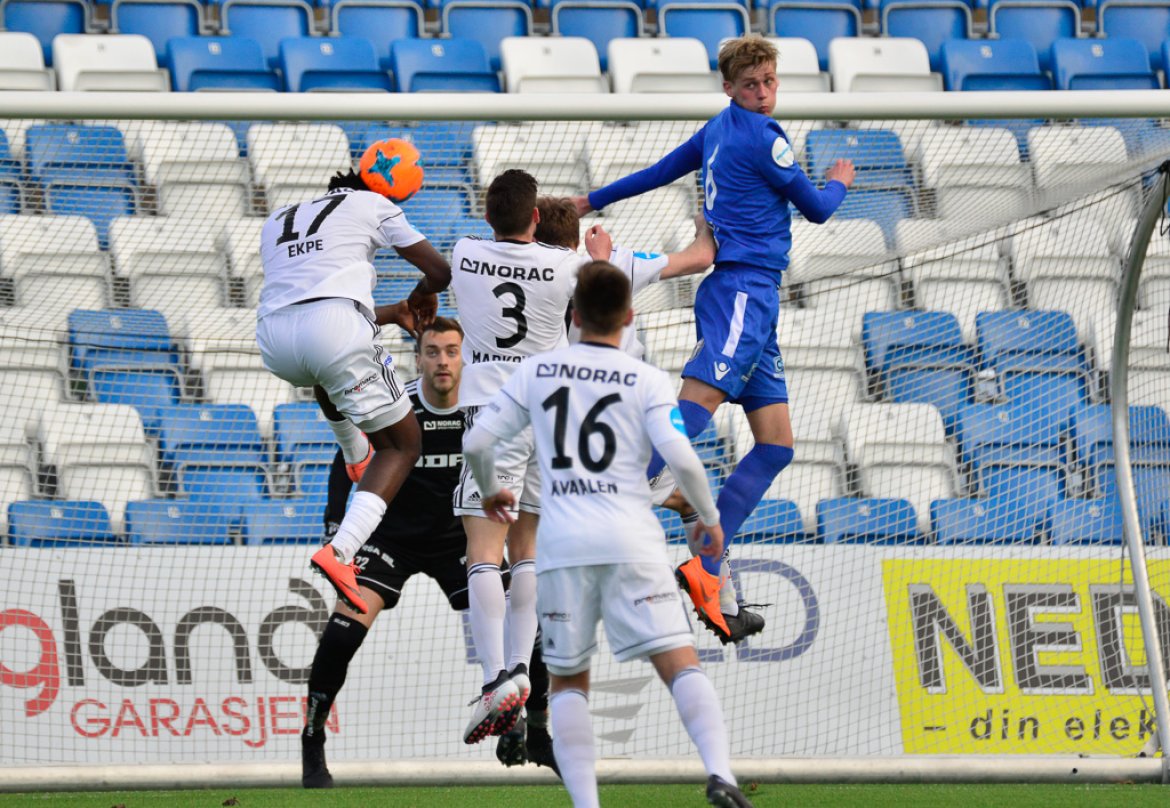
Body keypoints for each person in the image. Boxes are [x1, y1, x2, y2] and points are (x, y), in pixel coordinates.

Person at [572, 36, 856, 644]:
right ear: (729, 87)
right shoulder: (764, 136)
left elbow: (659, 173)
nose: (764, 93)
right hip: (742, 290)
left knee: (776, 445)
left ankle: (706, 565)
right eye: (752, 84)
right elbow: (818, 210)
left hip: (754, 297)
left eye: (770, 82)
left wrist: (591, 199)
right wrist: (839, 181)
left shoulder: (718, 128)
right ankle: (619, 488)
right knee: (697, 404)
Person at [464, 261, 754, 808]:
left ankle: (587, 804)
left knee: (570, 683)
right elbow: (682, 459)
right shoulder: (646, 379)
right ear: (629, 317)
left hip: (563, 546)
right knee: (679, 663)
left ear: (573, 315)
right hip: (631, 538)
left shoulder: (537, 372)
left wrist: (491, 489)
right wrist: (710, 519)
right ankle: (721, 774)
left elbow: (477, 442)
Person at [300, 318, 557, 788]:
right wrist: (338, 529)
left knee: (529, 623)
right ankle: (312, 740)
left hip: (459, 540)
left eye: (452, 351)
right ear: (417, 358)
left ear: (466, 357)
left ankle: (535, 732)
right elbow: (348, 461)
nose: (443, 361)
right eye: (433, 351)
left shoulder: (486, 408)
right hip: (389, 539)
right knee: (341, 632)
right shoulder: (398, 410)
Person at [255, 141, 452, 617]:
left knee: (325, 370)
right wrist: (421, 294)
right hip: (333, 332)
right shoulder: (373, 204)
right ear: (402, 191)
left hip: (274, 341)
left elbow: (309, 303)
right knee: (404, 444)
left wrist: (394, 312)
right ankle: (342, 551)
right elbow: (439, 271)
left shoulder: (278, 218)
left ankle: (353, 453)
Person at [449, 169, 607, 745]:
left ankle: (495, 677)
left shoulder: (465, 253)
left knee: (483, 550)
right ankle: (518, 666)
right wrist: (600, 257)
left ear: (487, 216)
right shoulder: (566, 264)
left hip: (496, 411)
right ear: (536, 219)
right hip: (552, 414)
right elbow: (600, 297)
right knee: (528, 548)